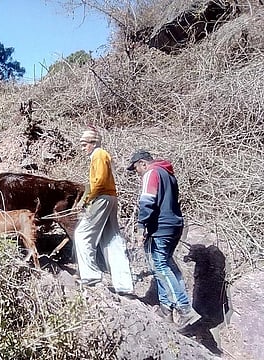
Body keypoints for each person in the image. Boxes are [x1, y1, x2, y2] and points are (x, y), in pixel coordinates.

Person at [127, 149, 201, 329]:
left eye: (136, 168)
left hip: (160, 227)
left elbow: (147, 201)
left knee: (159, 265)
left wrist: (141, 226)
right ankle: (166, 308)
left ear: (143, 163)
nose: (137, 173)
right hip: (174, 226)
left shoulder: (151, 173)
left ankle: (184, 309)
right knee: (166, 264)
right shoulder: (168, 175)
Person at [74, 129, 134, 296]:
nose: (82, 148)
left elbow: (98, 181)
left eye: (84, 145)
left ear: (93, 143)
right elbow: (95, 182)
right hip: (110, 197)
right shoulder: (101, 155)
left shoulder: (98, 154)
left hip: (101, 197)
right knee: (112, 239)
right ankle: (124, 285)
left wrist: (87, 200)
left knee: (82, 234)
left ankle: (90, 276)